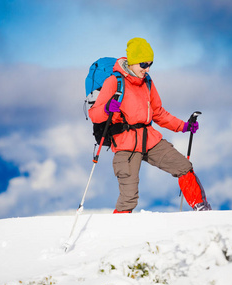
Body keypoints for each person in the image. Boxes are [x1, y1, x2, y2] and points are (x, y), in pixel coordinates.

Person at [88, 37, 211, 213]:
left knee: (183, 167)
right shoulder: (115, 82)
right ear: (132, 62)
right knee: (128, 198)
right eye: (143, 64)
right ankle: (115, 233)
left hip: (150, 139)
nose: (147, 69)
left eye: (150, 64)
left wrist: (183, 126)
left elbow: (158, 113)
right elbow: (95, 114)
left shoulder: (147, 82)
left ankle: (202, 209)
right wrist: (107, 108)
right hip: (125, 143)